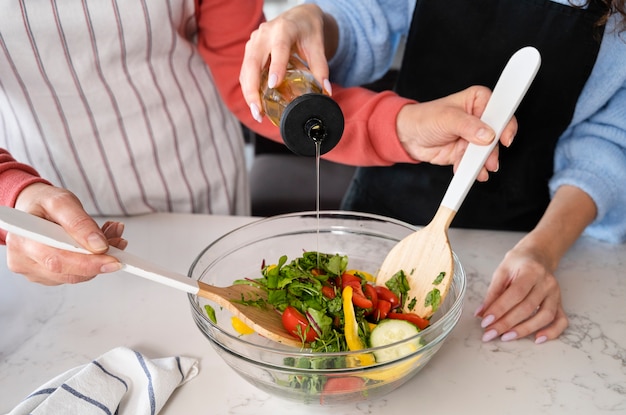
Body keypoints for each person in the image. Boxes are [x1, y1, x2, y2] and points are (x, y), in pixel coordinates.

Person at [0, 1, 513, 285]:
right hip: (42, 213)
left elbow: (250, 81)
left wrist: (404, 125)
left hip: (202, 183)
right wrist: (14, 195)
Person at [238, 0, 626, 344]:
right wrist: (315, 20)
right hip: (382, 206)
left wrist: (541, 251)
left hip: (517, 239)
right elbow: (363, 16)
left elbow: (608, 143)